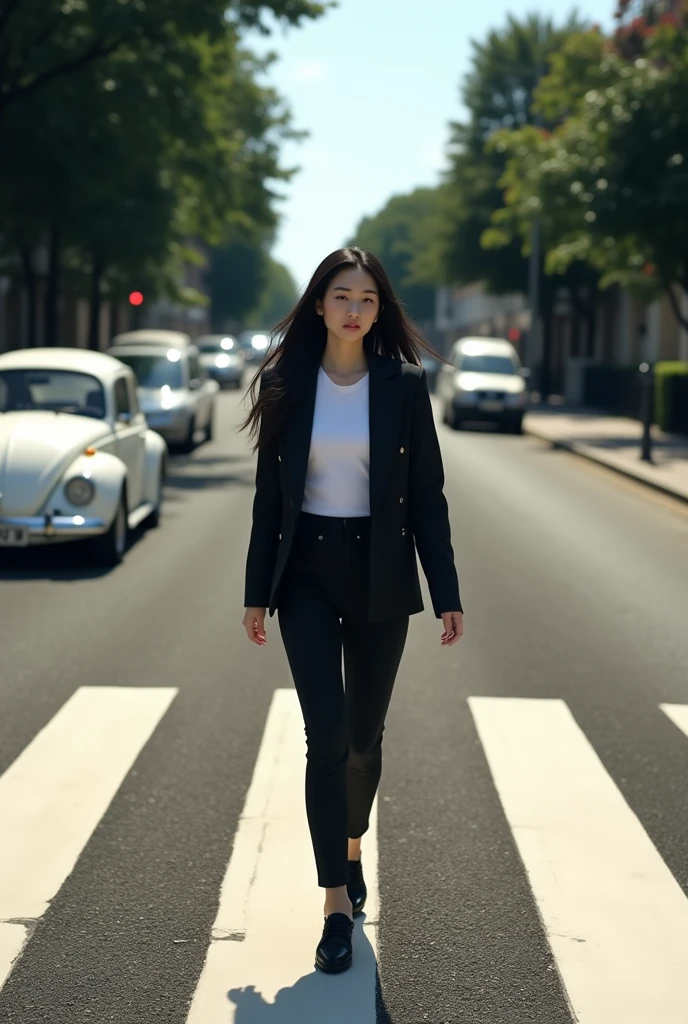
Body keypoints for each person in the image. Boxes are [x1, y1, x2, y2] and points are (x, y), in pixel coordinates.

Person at [240, 247, 463, 974]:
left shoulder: (402, 385)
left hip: (381, 572)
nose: (355, 309)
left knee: (365, 740)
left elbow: (427, 495)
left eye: (367, 298)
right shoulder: (285, 381)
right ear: (318, 304)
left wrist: (447, 593)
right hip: (305, 572)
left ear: (380, 310)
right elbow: (269, 499)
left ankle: (352, 842)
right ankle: (335, 902)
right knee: (326, 735)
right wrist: (255, 591)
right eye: (342, 295)